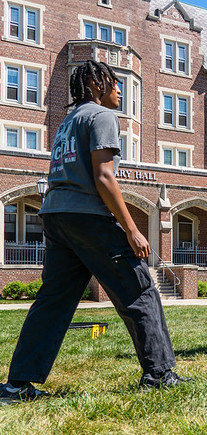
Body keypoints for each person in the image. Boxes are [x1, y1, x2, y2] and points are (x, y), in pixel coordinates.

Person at [0, 60, 189, 402]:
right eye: (115, 83)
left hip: (56, 216)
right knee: (140, 290)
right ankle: (159, 374)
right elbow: (104, 176)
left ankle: (17, 385)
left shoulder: (67, 122)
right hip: (87, 216)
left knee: (53, 301)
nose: (120, 90)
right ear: (96, 85)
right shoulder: (102, 116)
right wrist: (132, 229)